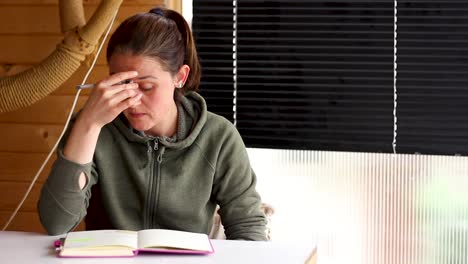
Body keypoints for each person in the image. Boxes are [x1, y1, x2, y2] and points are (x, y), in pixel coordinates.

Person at [38, 7, 268, 241]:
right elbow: (57, 223)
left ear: (180, 77)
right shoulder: (93, 128)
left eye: (146, 87)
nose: (132, 101)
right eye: (121, 85)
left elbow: (249, 229)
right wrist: (88, 124)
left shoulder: (219, 137)